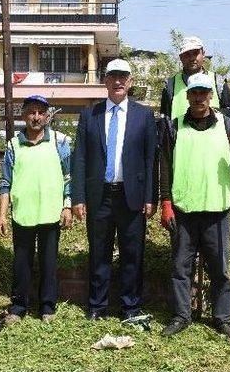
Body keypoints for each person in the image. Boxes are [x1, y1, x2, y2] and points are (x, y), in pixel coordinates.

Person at [159, 72, 230, 339]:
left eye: (203, 93)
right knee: (180, 268)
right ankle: (181, 315)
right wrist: (165, 201)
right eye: (194, 93)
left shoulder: (227, 124)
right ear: (187, 96)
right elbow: (164, 166)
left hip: (217, 208)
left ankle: (222, 318)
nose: (199, 98)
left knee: (219, 269)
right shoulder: (174, 126)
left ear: (211, 95)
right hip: (183, 208)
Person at [71, 59, 157, 321]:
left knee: (133, 253)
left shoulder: (144, 115)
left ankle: (130, 307)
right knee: (99, 252)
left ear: (130, 82)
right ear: (105, 81)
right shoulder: (90, 115)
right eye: (113, 77)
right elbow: (80, 159)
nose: (118, 82)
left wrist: (150, 196)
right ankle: (97, 306)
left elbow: (150, 159)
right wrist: (78, 197)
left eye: (123, 77)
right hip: (100, 195)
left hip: (132, 196)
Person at [0, 95, 72, 324]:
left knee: (49, 262)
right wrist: (2, 215)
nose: (36, 117)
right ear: (24, 115)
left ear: (48, 116)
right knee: (21, 263)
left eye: (41, 112)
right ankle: (18, 307)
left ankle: (47, 307)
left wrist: (67, 206)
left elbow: (69, 177)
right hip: (23, 214)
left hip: (51, 213)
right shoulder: (12, 145)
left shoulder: (60, 141)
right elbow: (5, 183)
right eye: (31, 112)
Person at [160, 36, 230, 122]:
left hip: (212, 135)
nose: (192, 58)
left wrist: (210, 113)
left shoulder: (218, 82)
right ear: (181, 57)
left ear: (203, 54)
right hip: (182, 134)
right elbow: (164, 120)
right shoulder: (171, 85)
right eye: (187, 54)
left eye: (195, 53)